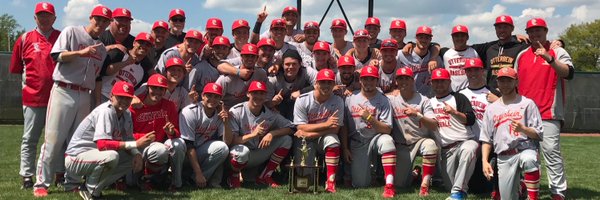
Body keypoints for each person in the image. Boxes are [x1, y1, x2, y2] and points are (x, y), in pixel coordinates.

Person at [32, 5, 111, 197]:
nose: (100, 23)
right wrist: (80, 53)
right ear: (90, 17)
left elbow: (98, 75)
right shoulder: (72, 31)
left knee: (78, 143)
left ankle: (72, 181)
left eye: (104, 21)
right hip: (64, 90)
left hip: (85, 94)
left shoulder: (101, 48)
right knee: (53, 139)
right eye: (97, 19)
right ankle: (41, 183)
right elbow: (56, 55)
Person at [63, 81, 154, 199]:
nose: (124, 101)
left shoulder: (126, 114)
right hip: (75, 158)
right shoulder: (106, 111)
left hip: (94, 156)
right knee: (111, 156)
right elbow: (102, 145)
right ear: (111, 96)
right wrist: (135, 144)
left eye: (127, 98)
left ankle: (89, 187)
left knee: (132, 156)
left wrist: (136, 154)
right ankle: (92, 192)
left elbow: (128, 138)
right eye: (120, 97)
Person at [515, 18, 575, 200]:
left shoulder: (557, 50)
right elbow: (515, 82)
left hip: (549, 111)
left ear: (546, 31)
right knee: (527, 154)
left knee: (551, 152)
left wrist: (550, 59)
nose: (534, 34)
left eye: (538, 30)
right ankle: (529, 188)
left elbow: (569, 73)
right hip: (526, 114)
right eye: (531, 31)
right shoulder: (522, 55)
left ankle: (558, 191)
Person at [9, 1, 61, 190]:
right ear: (34, 17)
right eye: (41, 15)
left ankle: (59, 174)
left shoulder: (62, 37)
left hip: (58, 98)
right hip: (33, 98)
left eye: (48, 15)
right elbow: (16, 69)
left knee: (56, 140)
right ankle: (27, 176)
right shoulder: (24, 39)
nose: (44, 18)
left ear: (54, 18)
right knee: (29, 139)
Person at [480, 67, 543, 200]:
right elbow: (486, 139)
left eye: (509, 81)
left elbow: (538, 134)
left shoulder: (527, 104)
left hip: (524, 150)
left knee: (529, 160)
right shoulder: (491, 109)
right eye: (502, 81)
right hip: (503, 157)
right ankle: (521, 187)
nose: (505, 84)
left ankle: (533, 197)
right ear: (497, 83)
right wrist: (484, 161)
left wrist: (524, 129)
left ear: (516, 82)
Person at [227, 81, 294, 188]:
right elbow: (232, 141)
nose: (258, 96)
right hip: (237, 153)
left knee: (286, 139)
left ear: (266, 95)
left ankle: (265, 176)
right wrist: (254, 134)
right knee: (241, 152)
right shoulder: (236, 111)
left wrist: (272, 133)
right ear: (248, 94)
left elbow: (292, 128)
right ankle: (233, 175)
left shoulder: (270, 113)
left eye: (262, 93)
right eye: (255, 93)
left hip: (256, 152)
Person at [342, 65, 396, 198]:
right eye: (365, 79)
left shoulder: (383, 100)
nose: (368, 82)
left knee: (388, 142)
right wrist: (345, 148)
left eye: (372, 79)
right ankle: (371, 174)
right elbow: (344, 126)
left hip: (376, 138)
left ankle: (389, 185)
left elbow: (387, 129)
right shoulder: (350, 99)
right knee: (361, 184)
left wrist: (370, 118)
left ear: (377, 81)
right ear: (360, 80)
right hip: (358, 142)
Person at [129, 74, 185, 191]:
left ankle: (169, 181)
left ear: (165, 91)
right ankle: (150, 177)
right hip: (136, 146)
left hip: (156, 148)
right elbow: (125, 134)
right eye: (154, 88)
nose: (157, 92)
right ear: (148, 88)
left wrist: (171, 132)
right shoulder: (134, 106)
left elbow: (176, 132)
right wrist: (142, 137)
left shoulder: (169, 105)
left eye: (161, 89)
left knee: (175, 145)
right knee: (130, 182)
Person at [388, 67, 439, 197]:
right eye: (400, 78)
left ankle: (425, 184)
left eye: (407, 78)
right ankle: (415, 174)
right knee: (400, 184)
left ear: (412, 80)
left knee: (431, 145)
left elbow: (433, 125)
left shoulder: (423, 100)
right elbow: (374, 93)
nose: (403, 81)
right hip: (402, 145)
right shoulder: (391, 100)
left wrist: (417, 115)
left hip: (420, 141)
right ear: (396, 81)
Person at [293, 69, 345, 193]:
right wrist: (326, 124)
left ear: (334, 85)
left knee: (333, 140)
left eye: (329, 82)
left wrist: (312, 133)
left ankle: (331, 181)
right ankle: (306, 176)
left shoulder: (338, 101)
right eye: (322, 82)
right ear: (316, 84)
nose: (326, 86)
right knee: (307, 180)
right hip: (306, 139)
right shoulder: (303, 100)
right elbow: (300, 127)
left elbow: (335, 129)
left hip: (323, 137)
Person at [428, 68, 477, 200]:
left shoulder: (458, 97)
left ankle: (458, 193)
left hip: (464, 142)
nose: (439, 84)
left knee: (469, 149)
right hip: (446, 149)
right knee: (449, 185)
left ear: (449, 82)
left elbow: (470, 120)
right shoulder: (429, 102)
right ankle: (458, 189)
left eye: (442, 81)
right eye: (436, 82)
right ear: (431, 83)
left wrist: (454, 112)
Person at [179, 83, 232, 189]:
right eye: (209, 95)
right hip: (183, 154)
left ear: (220, 99)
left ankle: (192, 179)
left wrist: (226, 123)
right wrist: (198, 172)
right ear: (202, 96)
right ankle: (186, 177)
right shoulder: (190, 111)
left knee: (222, 147)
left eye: (216, 96)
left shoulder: (219, 114)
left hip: (200, 151)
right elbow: (188, 144)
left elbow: (227, 142)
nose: (213, 99)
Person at [99, 32, 154, 103]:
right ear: (134, 43)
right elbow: (106, 71)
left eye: (148, 45)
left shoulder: (142, 71)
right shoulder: (120, 53)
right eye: (141, 42)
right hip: (101, 94)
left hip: (119, 102)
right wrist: (125, 63)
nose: (144, 46)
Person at [397, 26, 442, 98]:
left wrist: (433, 58)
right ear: (416, 38)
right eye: (421, 37)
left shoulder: (436, 59)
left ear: (430, 39)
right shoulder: (402, 54)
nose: (424, 40)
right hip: (406, 97)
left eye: (427, 38)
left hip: (428, 98)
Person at [442, 25, 480, 92]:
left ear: (467, 37)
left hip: (471, 91)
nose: (459, 38)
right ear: (452, 37)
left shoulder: (473, 52)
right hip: (452, 93)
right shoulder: (446, 54)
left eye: (462, 36)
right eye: (456, 36)